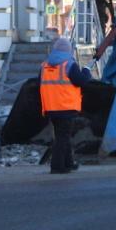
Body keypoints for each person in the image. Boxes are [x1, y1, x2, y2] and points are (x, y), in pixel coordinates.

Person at [39, 36, 92, 175]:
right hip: (66, 107)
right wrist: (86, 71)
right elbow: (81, 81)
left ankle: (68, 163)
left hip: (51, 107)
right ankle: (57, 166)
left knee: (63, 135)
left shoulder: (45, 65)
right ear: (69, 50)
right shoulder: (69, 64)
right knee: (63, 137)